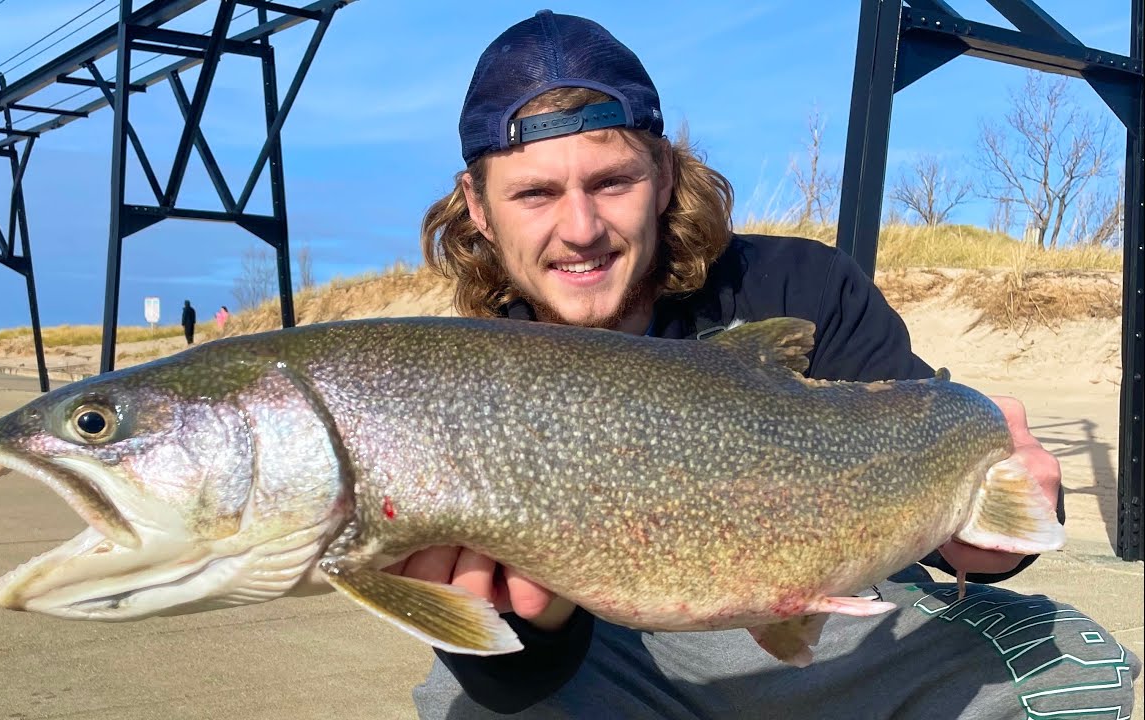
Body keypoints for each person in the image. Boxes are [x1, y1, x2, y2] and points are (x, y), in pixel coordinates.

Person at [394, 10, 1140, 719]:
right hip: (622, 656)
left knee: (1071, 663)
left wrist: (999, 523)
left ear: (661, 172)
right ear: (479, 207)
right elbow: (517, 683)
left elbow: (954, 487)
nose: (581, 228)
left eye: (611, 182)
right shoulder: (477, 388)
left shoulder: (805, 286)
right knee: (459, 703)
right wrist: (528, 623)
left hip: (845, 635)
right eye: (535, 193)